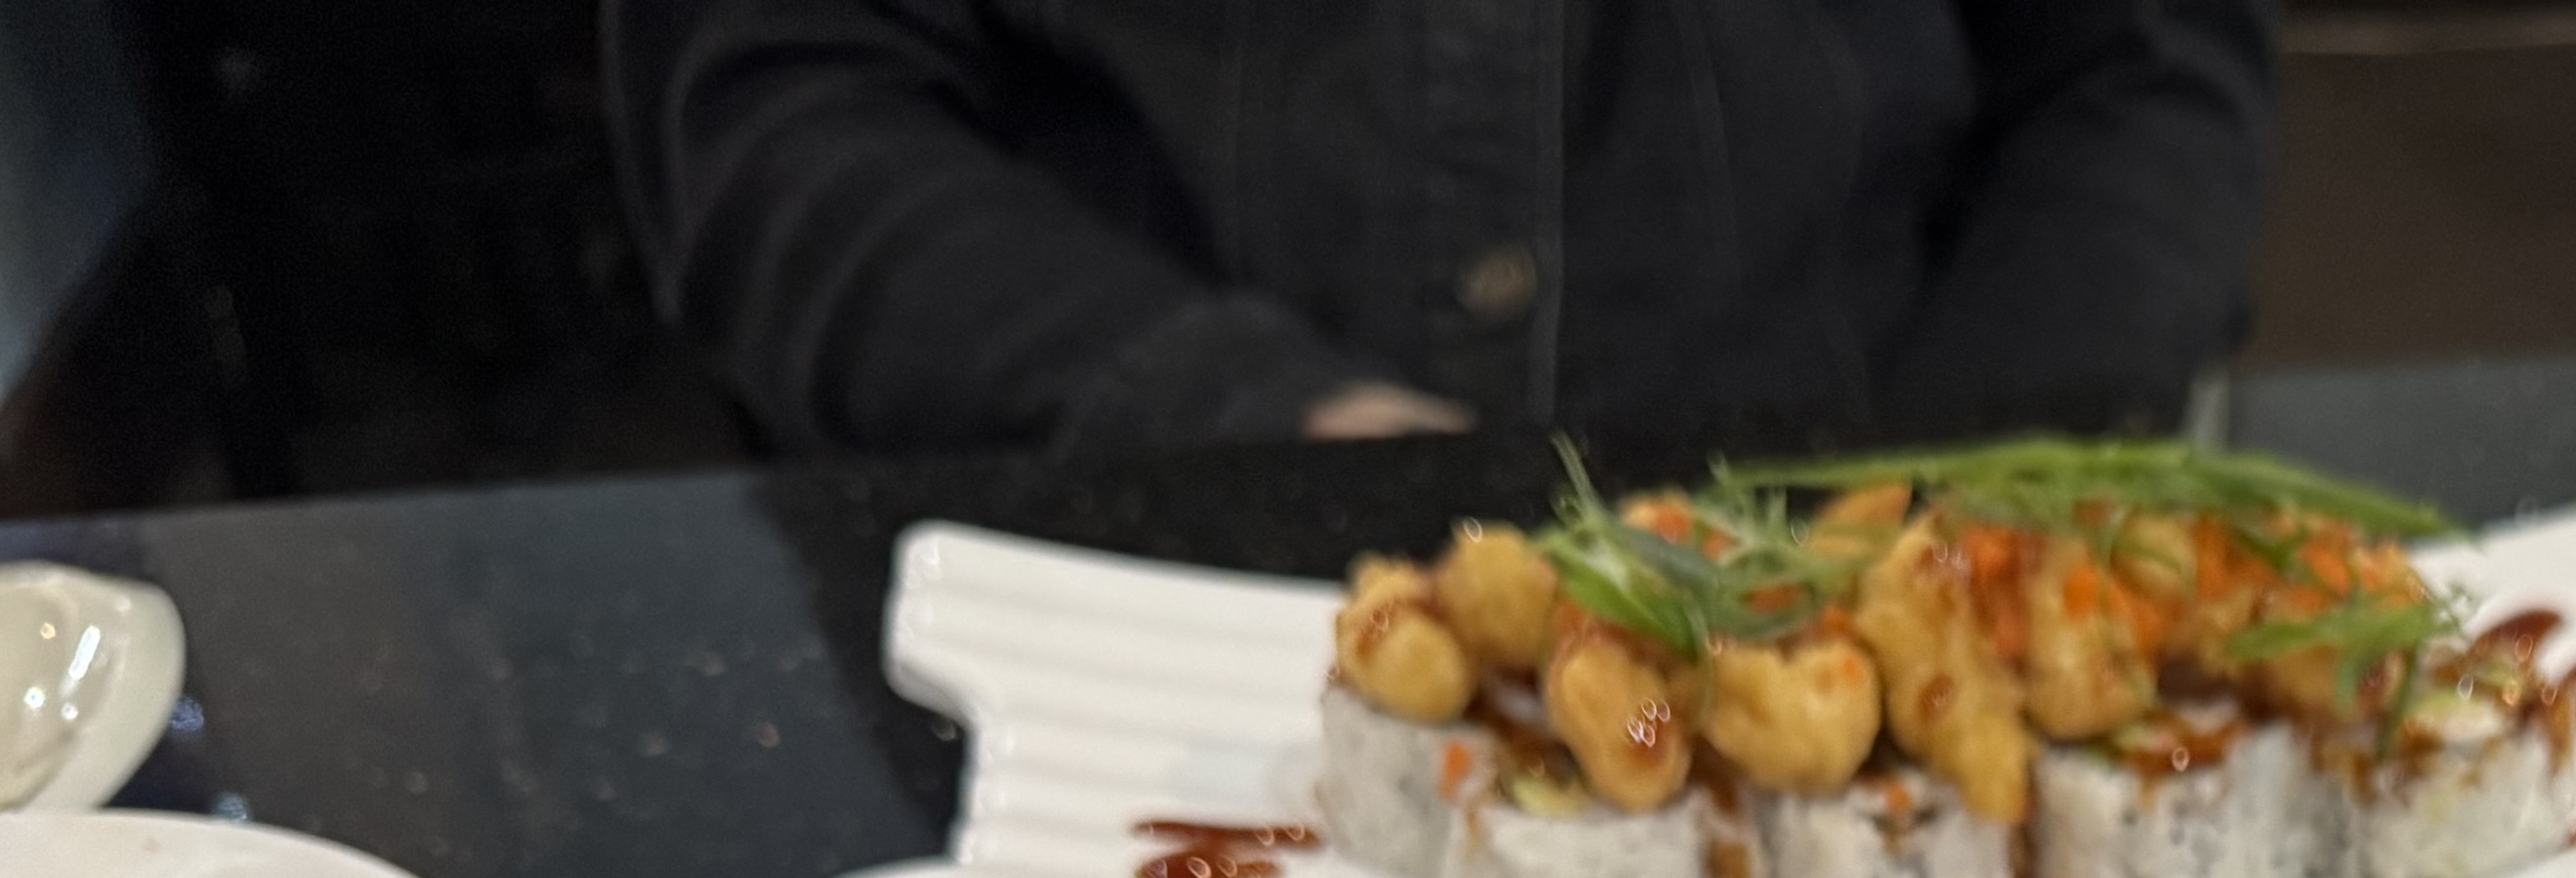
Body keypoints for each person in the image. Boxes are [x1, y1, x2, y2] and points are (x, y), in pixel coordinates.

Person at [606, 0, 2284, 458]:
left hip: (1875, 526)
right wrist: (1264, 425)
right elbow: (775, 117)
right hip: (1123, 640)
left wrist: (1953, 524)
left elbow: (2142, 73)